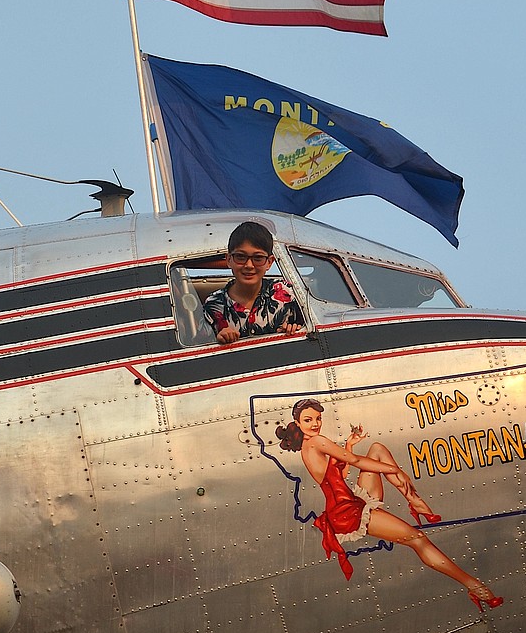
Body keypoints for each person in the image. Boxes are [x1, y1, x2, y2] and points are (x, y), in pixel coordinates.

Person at [276, 397, 503, 608]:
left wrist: (350, 443)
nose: (315, 424)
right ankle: (475, 587)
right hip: (347, 513)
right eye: (308, 420)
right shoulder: (316, 442)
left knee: (376, 449)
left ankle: (415, 501)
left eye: (317, 419)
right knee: (418, 539)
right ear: (297, 422)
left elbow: (341, 474)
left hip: (351, 501)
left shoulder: (310, 445)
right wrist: (394, 469)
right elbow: (354, 462)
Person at [202, 222, 306, 345]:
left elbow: (309, 329)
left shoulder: (288, 293)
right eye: (240, 257)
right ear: (228, 259)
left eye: (258, 258)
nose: (249, 266)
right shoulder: (213, 304)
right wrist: (220, 338)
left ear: (269, 262)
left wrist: (293, 329)